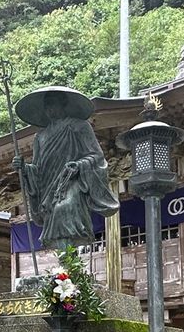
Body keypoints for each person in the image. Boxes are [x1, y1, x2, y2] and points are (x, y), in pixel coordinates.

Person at [13, 86, 119, 250]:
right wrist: (25, 169)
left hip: (72, 180)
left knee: (66, 209)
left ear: (63, 105)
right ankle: (64, 269)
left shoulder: (79, 126)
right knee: (55, 221)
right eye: (47, 106)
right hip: (49, 188)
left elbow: (96, 156)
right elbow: (38, 168)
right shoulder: (40, 136)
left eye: (53, 104)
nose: (50, 110)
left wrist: (78, 165)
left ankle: (69, 267)